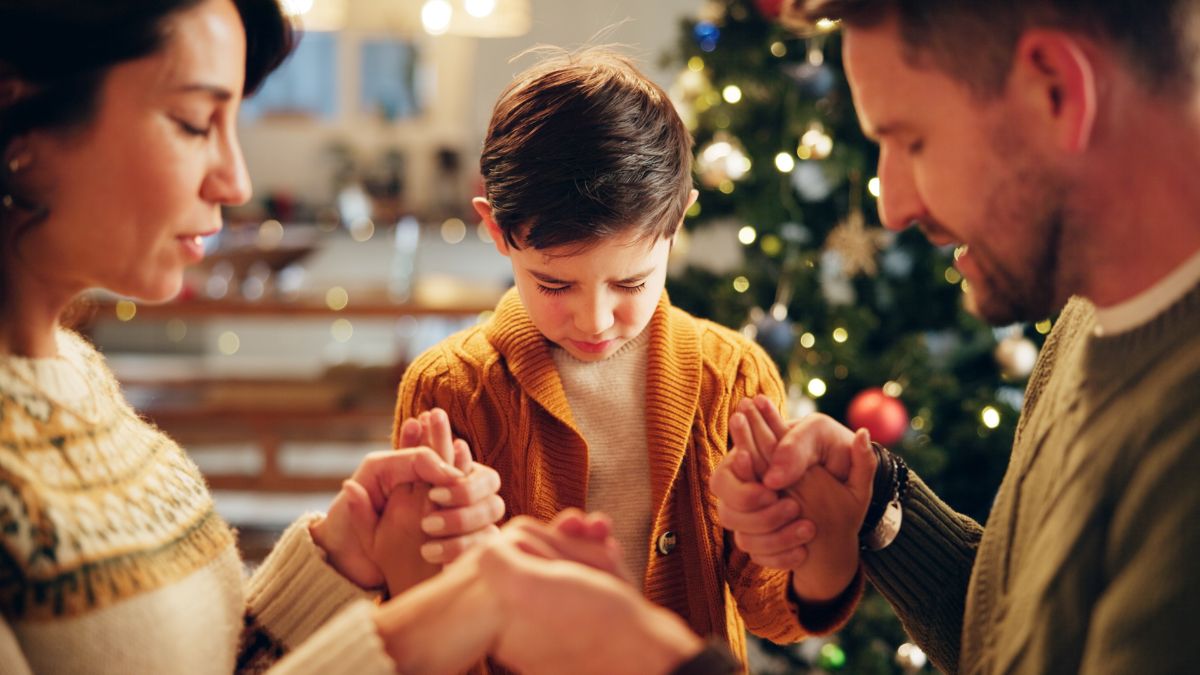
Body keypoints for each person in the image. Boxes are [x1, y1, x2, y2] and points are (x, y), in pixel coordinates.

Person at [0, 1, 503, 672]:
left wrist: (342, 558)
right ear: (18, 116)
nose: (236, 179)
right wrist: (415, 639)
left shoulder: (73, 369)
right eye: (193, 122)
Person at [710, 1, 1200, 673]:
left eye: (912, 140)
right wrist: (874, 506)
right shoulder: (1095, 313)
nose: (893, 206)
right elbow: (1025, 639)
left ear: (1057, 91)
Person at [393, 46, 857, 664]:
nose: (594, 319)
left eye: (631, 284)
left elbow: (772, 610)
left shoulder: (734, 375)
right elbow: (415, 624)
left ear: (677, 223)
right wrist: (424, 562)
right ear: (497, 230)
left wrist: (824, 550)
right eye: (554, 285)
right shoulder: (449, 389)